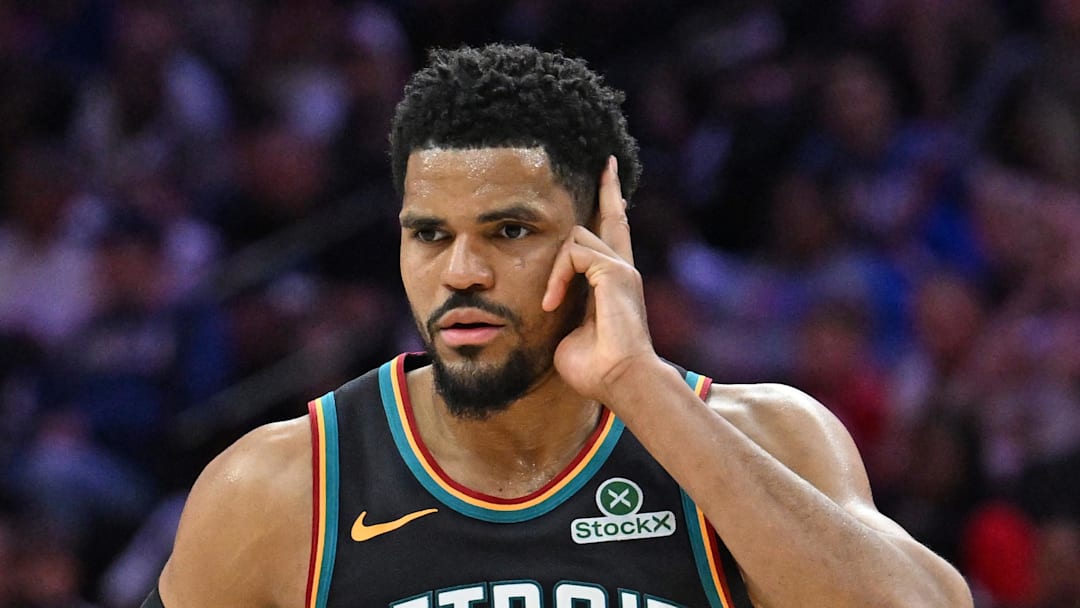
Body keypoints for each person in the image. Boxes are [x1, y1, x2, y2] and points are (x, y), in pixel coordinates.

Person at [144, 43, 973, 608]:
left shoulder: (766, 439)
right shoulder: (282, 488)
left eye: (509, 232)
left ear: (602, 237)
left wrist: (639, 388)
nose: (460, 272)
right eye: (429, 234)